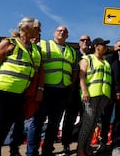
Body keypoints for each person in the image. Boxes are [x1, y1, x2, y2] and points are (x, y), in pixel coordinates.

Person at [0, 17, 42, 156]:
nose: (40, 31)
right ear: (26, 28)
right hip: (2, 90)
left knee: (7, 126)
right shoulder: (9, 43)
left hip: (19, 94)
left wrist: (38, 89)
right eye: (37, 27)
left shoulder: (35, 50)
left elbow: (37, 72)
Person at [27, 26, 78, 156]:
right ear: (54, 33)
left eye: (65, 31)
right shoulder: (43, 44)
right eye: (59, 30)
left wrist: (70, 86)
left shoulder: (72, 51)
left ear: (67, 35)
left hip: (62, 91)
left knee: (54, 124)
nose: (62, 32)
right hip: (45, 89)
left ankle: (47, 151)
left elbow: (75, 70)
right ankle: (31, 152)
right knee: (37, 122)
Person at [77, 37, 112, 156]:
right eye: (103, 45)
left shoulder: (106, 61)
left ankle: (87, 147)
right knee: (87, 122)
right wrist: (85, 91)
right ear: (96, 46)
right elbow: (81, 76)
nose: (106, 47)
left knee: (93, 123)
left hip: (103, 96)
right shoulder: (87, 59)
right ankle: (80, 149)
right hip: (91, 95)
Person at [61, 35, 91, 156]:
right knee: (69, 119)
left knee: (86, 120)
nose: (85, 42)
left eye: (87, 40)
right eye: (82, 40)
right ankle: (65, 145)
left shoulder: (93, 56)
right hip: (74, 92)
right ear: (79, 43)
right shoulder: (73, 54)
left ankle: (83, 145)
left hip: (88, 92)